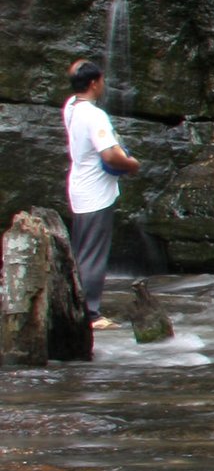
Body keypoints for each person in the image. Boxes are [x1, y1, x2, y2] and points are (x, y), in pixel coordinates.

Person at [62, 60, 136, 328]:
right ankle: (91, 314)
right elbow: (109, 154)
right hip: (96, 193)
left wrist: (79, 69)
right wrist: (132, 165)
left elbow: (75, 70)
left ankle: (75, 305)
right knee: (93, 253)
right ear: (94, 83)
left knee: (82, 252)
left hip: (79, 188)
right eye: (101, 80)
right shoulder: (95, 116)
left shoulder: (71, 107)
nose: (104, 84)